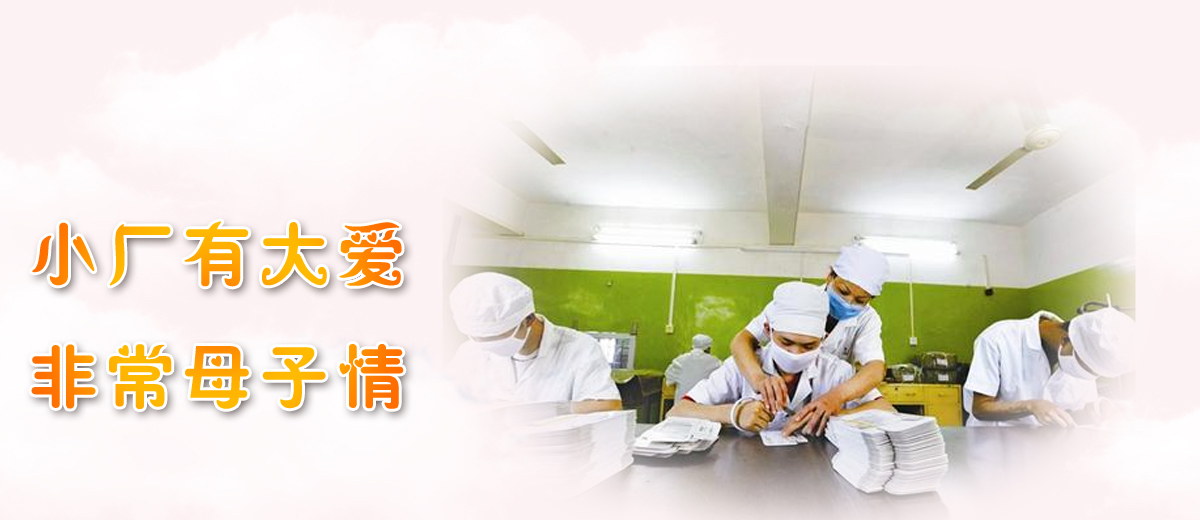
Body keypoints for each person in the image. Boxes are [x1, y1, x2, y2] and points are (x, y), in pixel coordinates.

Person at [668, 281, 895, 434]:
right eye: (786, 342)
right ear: (768, 330)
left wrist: (836, 417)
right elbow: (677, 412)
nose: (795, 354)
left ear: (823, 339)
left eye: (809, 346)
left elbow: (887, 410)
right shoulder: (740, 368)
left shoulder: (837, 372)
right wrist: (733, 413)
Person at [728, 244, 891, 435]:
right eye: (843, 291)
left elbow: (875, 369)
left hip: (825, 391)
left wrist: (835, 399)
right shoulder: (794, 301)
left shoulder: (865, 324)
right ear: (830, 276)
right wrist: (758, 379)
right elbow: (742, 340)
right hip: (781, 386)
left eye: (860, 300)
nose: (848, 302)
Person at [448, 272, 622, 413]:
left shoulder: (580, 348)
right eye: (478, 337)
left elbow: (609, 406)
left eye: (497, 335)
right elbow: (445, 400)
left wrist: (538, 411)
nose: (488, 345)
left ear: (528, 319)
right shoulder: (469, 352)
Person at [963, 307, 1136, 427]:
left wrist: (1095, 411)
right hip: (995, 447)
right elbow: (980, 407)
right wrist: (1030, 406)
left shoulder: (1086, 351)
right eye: (1082, 367)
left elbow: (1070, 414)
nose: (1081, 374)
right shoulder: (999, 339)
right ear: (1066, 340)